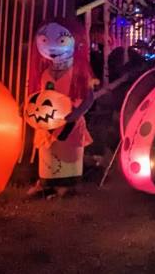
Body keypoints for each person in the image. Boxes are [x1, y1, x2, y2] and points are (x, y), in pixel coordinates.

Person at [26, 18, 95, 198]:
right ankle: (46, 183)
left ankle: (67, 185)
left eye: (61, 41)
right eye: (44, 41)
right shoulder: (45, 74)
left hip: (69, 123)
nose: (52, 48)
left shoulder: (79, 72)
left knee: (68, 155)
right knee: (48, 156)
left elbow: (89, 96)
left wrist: (78, 112)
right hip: (47, 124)